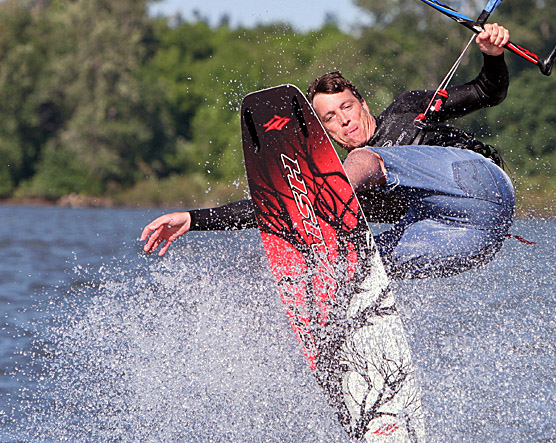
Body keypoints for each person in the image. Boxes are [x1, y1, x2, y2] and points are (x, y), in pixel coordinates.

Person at [141, 23, 515, 280]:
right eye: (331, 119)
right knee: (354, 265)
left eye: (347, 107)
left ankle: (321, 221)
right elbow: (278, 205)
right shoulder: (342, 183)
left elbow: (488, 92)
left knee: (358, 167)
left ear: (364, 104)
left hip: (481, 185)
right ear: (326, 132)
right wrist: (195, 219)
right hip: (473, 238)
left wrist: (493, 55)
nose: (345, 121)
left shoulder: (406, 109)